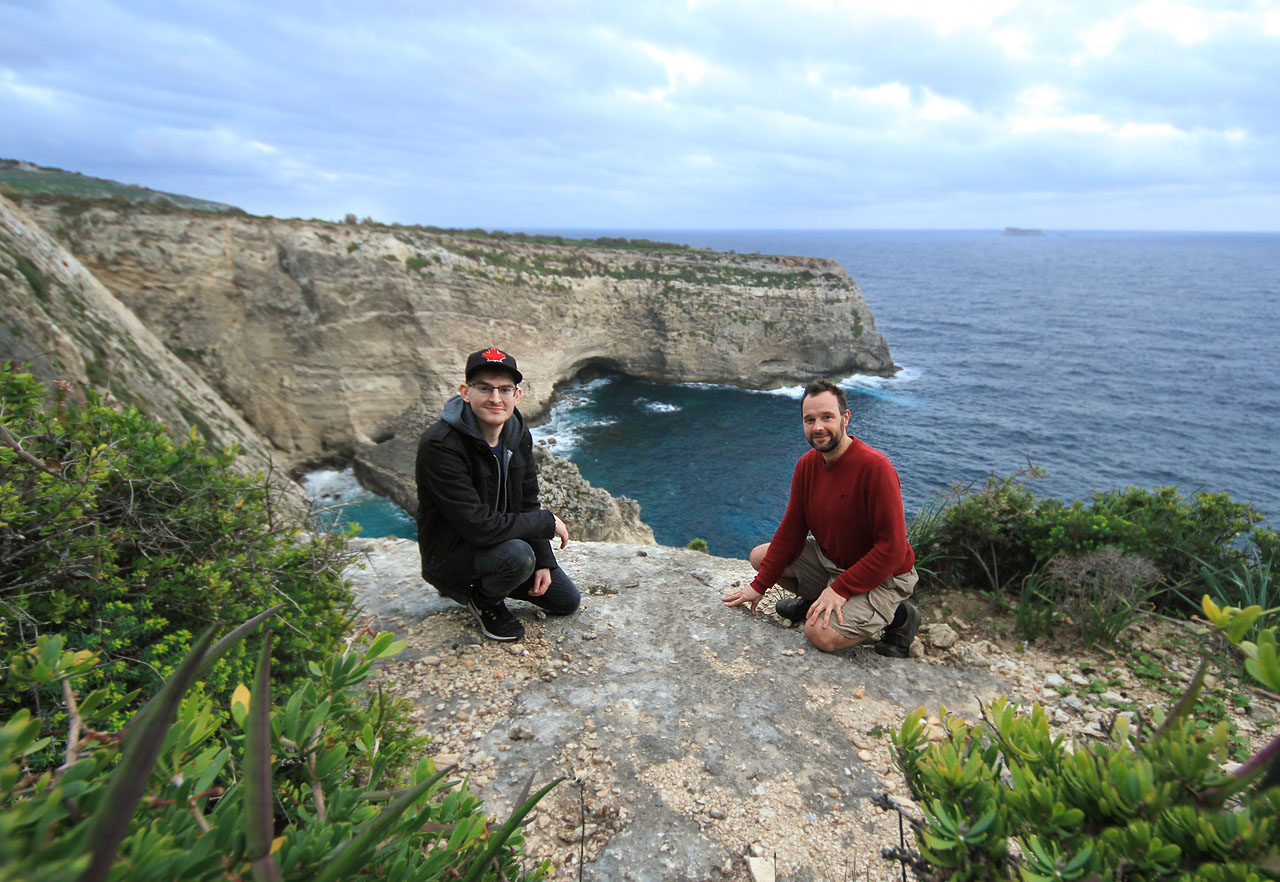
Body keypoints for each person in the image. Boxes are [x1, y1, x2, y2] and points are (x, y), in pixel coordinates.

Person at [721, 379, 921, 656]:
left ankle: (901, 617)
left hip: (883, 575)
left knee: (819, 635)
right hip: (833, 563)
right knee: (761, 557)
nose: (818, 427)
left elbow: (893, 549)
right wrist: (759, 586)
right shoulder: (806, 466)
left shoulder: (875, 469)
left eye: (827, 417)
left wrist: (840, 589)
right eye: (809, 419)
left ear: (845, 418)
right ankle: (815, 600)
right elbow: (792, 531)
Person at [416, 347, 580, 641]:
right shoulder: (440, 445)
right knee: (517, 557)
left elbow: (528, 499)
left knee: (565, 601)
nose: (495, 398)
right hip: (454, 553)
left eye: (505, 390)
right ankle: (483, 600)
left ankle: (500, 576)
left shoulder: (517, 433)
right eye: (485, 388)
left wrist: (544, 560)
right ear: (465, 392)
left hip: (499, 546)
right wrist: (546, 523)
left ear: (517, 396)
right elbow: (479, 526)